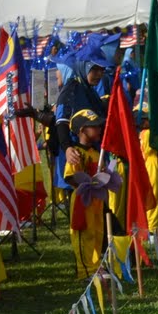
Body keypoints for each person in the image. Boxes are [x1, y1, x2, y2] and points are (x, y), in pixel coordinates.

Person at [64, 110, 116, 278]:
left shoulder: (96, 153)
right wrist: (89, 181)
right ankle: (85, 269)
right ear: (82, 130)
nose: (99, 129)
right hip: (82, 199)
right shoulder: (76, 154)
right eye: (93, 126)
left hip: (97, 200)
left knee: (97, 233)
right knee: (84, 233)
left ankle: (95, 265)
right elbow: (70, 177)